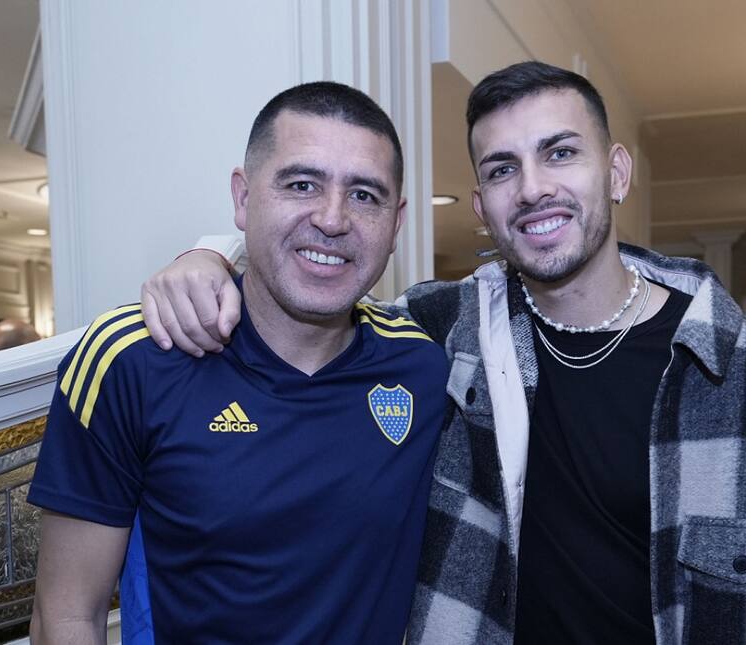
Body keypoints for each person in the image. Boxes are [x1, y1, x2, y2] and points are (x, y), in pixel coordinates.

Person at [142, 62, 746, 644]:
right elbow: (319, 271)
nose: (533, 187)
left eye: (560, 152)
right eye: (504, 169)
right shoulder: (440, 330)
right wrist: (210, 253)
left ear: (617, 172)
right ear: (481, 205)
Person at [27, 82, 449, 644]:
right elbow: (66, 616)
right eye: (302, 184)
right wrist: (207, 252)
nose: (332, 218)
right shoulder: (131, 361)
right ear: (243, 199)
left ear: (396, 225)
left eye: (364, 195)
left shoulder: (426, 362)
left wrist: (207, 253)